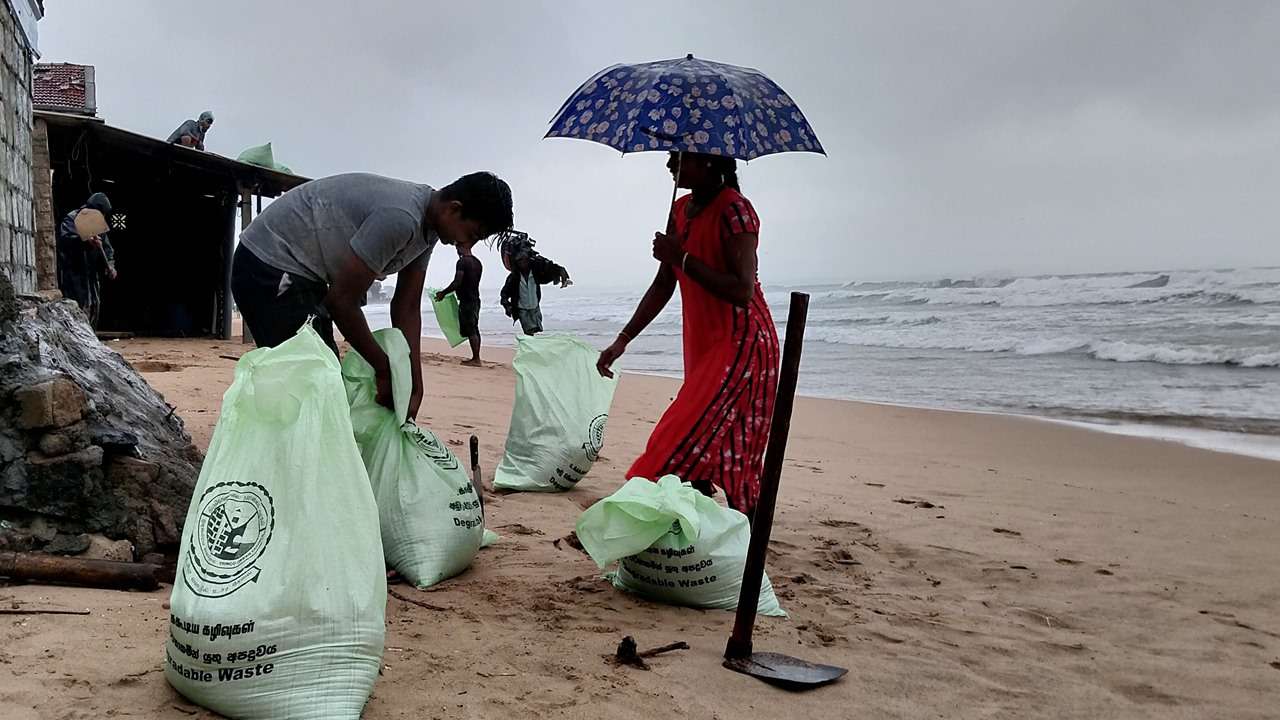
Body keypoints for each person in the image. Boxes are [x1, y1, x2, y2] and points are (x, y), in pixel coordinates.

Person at [231, 171, 513, 420]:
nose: (468, 244)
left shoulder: (428, 231)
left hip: (306, 275)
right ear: (454, 209)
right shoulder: (401, 218)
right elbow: (342, 302)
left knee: (323, 383)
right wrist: (383, 368)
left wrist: (413, 382)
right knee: (312, 383)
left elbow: (407, 306)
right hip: (268, 264)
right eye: (473, 234)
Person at [597, 151, 778, 519]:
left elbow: (742, 290)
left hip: (743, 345)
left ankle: (646, 516)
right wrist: (623, 338)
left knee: (684, 438)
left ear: (709, 161)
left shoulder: (736, 211)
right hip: (704, 344)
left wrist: (681, 258)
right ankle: (696, 528)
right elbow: (665, 283)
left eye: (679, 158)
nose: (669, 165)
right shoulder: (680, 210)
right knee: (711, 441)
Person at [56, 192, 117, 328]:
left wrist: (110, 265)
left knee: (94, 308)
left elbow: (108, 250)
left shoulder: (98, 224)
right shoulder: (72, 219)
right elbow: (65, 241)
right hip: (74, 275)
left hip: (91, 276)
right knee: (77, 308)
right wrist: (85, 242)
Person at [499, 249, 570, 336]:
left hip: (535, 307)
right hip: (522, 309)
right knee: (528, 333)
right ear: (517, 263)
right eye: (520, 261)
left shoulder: (535, 274)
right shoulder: (513, 278)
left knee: (537, 330)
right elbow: (504, 293)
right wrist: (507, 305)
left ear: (529, 261)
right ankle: (531, 348)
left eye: (525, 260)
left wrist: (559, 272)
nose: (523, 263)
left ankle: (533, 347)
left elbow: (547, 274)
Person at [435, 242, 484, 366]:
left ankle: (476, 359)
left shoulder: (462, 262)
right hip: (476, 299)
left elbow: (457, 282)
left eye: (458, 247)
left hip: (467, 300)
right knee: (474, 328)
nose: (457, 250)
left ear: (462, 247)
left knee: (471, 328)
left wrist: (443, 293)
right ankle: (476, 357)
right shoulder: (478, 263)